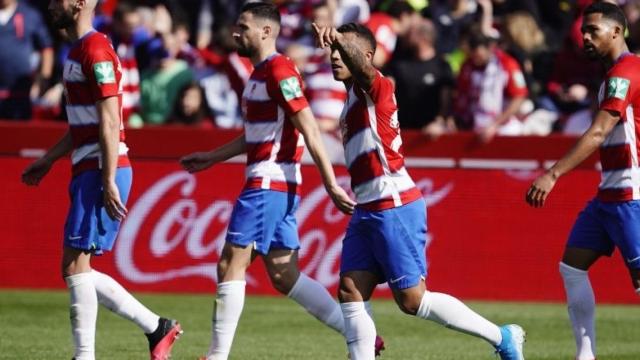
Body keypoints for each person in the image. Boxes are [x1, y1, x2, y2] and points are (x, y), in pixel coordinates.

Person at [312, 21, 525, 360]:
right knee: (351, 291)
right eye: (332, 51)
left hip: (392, 203)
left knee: (413, 300)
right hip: (367, 208)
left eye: (341, 51)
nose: (334, 56)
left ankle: (502, 336)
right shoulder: (351, 97)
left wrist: (337, 36)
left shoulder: (376, 86)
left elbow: (364, 71)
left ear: (366, 56)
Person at [179, 3, 382, 359]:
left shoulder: (280, 71)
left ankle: (216, 356)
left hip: (268, 184)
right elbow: (256, 135)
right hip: (273, 183)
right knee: (284, 274)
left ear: (266, 32)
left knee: (230, 265)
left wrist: (331, 183)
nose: (235, 33)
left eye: (243, 27)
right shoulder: (259, 74)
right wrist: (212, 157)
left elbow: (308, 127)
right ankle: (365, 335)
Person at [21, 1, 181, 359]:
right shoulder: (78, 50)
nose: (51, 4)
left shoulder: (94, 49)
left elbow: (110, 121)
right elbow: (86, 124)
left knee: (76, 266)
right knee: (75, 266)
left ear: (79, 3)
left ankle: (88, 354)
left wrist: (108, 177)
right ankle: (157, 328)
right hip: (90, 166)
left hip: (100, 167)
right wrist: (48, 159)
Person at [526, 3, 640, 360]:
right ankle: (585, 355)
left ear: (617, 32)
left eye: (593, 30)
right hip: (609, 194)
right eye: (583, 31)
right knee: (572, 267)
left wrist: (553, 173)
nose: (584, 37)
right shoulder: (612, 75)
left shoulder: (625, 72)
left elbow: (598, 133)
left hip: (631, 193)